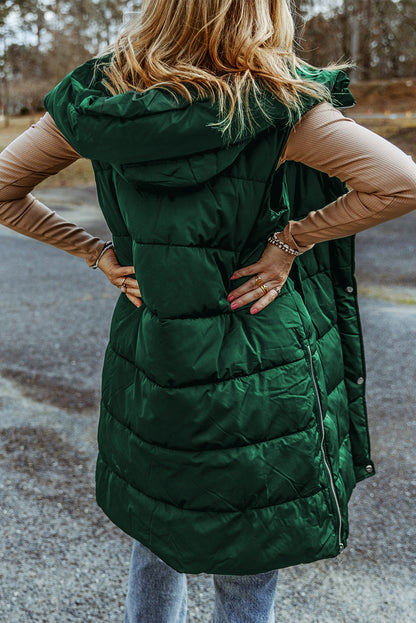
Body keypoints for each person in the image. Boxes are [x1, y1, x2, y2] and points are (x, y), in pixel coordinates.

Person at [1, 1, 415, 621]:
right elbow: (402, 182)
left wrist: (95, 253)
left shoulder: (98, 102)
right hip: (259, 355)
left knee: (157, 531)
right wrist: (290, 241)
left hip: (155, 354)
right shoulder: (278, 106)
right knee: (249, 560)